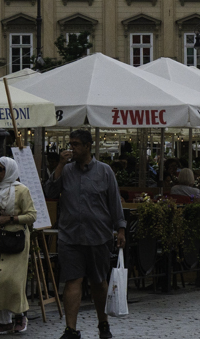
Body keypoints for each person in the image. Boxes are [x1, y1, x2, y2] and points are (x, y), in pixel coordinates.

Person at [52, 130, 125, 339]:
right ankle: (71, 329)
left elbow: (114, 202)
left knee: (98, 281)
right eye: (70, 144)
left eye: (75, 144)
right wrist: (58, 165)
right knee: (72, 280)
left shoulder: (104, 171)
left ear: (87, 146)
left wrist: (120, 229)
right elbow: (49, 191)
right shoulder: (65, 171)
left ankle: (103, 323)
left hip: (98, 236)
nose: (71, 148)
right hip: (70, 235)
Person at [0, 157, 38, 336]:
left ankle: (20, 316)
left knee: (12, 281)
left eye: (0, 169)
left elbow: (32, 215)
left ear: (9, 170)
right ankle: (4, 321)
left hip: (17, 239)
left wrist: (12, 219)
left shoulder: (22, 191)